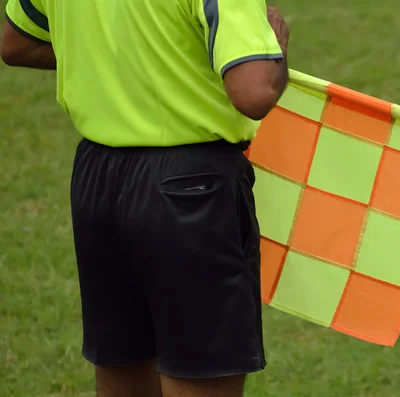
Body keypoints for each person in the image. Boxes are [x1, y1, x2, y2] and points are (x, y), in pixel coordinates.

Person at [1, 0, 289, 396]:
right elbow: (253, 90)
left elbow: (16, 42)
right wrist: (277, 51)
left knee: (124, 369)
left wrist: (124, 64)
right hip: (191, 191)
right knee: (201, 375)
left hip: (99, 181)